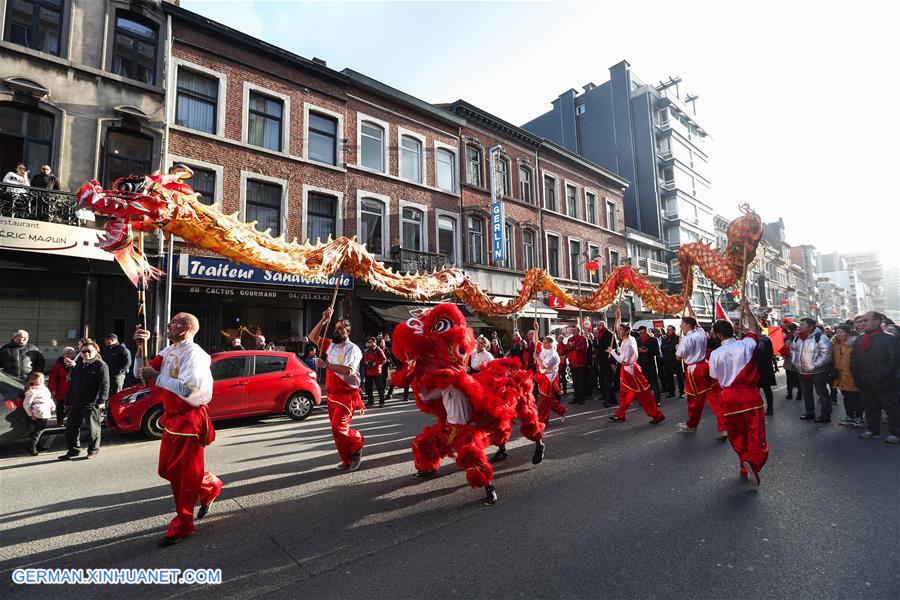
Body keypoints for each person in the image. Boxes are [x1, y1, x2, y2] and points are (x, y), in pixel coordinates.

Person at [134, 313, 222, 546]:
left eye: (172, 322)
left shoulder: (196, 355)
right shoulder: (168, 351)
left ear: (185, 328)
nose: (167, 326)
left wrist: (157, 376)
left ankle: (183, 524)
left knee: (182, 479)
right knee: (168, 470)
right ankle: (209, 485)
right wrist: (139, 348)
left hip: (189, 422)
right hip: (172, 420)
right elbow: (140, 375)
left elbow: (186, 389)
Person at [708, 300, 768, 487]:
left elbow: (714, 376)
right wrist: (747, 310)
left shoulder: (715, 354)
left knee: (737, 434)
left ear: (718, 335)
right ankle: (753, 461)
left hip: (729, 398)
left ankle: (744, 462)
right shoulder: (746, 344)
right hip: (750, 396)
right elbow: (755, 328)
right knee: (755, 433)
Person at [308, 308, 365, 470]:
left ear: (347, 332)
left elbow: (348, 370)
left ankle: (357, 444)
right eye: (336, 327)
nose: (337, 330)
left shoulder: (353, 349)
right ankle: (347, 459)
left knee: (339, 428)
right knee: (336, 431)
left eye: (340, 328)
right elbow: (312, 337)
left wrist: (325, 365)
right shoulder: (331, 345)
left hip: (347, 396)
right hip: (332, 395)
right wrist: (324, 319)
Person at [607, 308, 665, 425]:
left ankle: (656, 415)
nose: (618, 332)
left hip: (631, 371)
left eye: (620, 330)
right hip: (627, 370)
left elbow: (622, 360)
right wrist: (618, 317)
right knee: (625, 395)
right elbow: (622, 328)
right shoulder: (630, 338)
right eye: (618, 330)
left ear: (626, 332)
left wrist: (612, 351)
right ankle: (620, 414)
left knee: (643, 394)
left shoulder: (627, 343)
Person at [676, 315, 727, 439]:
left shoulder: (686, 339)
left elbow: (678, 357)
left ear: (688, 325)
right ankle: (723, 427)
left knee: (694, 401)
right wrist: (688, 304)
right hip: (705, 365)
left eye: (682, 324)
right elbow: (695, 320)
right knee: (715, 398)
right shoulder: (700, 332)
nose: (681, 326)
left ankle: (692, 424)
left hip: (695, 370)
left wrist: (677, 349)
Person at [851, 312, 899, 444]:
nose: (862, 323)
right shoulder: (860, 339)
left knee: (891, 408)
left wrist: (882, 375)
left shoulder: (889, 338)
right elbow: (854, 359)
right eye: (861, 320)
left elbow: (893, 361)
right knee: (869, 407)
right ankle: (873, 430)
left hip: (884, 381)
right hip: (864, 381)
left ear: (877, 321)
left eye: (866, 320)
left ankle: (895, 433)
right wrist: (856, 375)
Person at [58, 340, 108, 460]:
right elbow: (72, 384)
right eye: (83, 351)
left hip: (91, 402)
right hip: (75, 401)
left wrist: (102, 400)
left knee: (93, 428)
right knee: (71, 427)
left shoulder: (100, 365)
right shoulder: (78, 365)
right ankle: (73, 450)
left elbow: (105, 384)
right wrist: (67, 401)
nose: (86, 354)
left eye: (89, 351)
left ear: (95, 351)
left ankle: (93, 450)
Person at [790, 317, 833, 422]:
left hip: (818, 372)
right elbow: (792, 350)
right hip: (801, 371)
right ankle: (809, 413)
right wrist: (795, 363)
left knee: (822, 393)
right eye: (800, 325)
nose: (800, 327)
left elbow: (826, 355)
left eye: (803, 325)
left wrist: (814, 365)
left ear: (811, 326)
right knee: (806, 393)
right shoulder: (797, 338)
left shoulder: (820, 337)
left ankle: (825, 415)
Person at [832, 324, 863, 427]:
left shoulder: (855, 343)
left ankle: (859, 417)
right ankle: (849, 416)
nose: (838, 335)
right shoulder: (835, 343)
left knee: (856, 397)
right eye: (836, 332)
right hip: (840, 375)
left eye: (841, 332)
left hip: (852, 375)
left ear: (848, 333)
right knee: (846, 397)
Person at [534, 336, 567, 425]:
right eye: (544, 342)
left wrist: (536, 357)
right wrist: (536, 330)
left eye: (546, 342)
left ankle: (542, 420)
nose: (544, 344)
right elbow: (535, 341)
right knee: (549, 400)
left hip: (548, 379)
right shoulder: (544, 348)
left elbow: (543, 366)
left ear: (551, 343)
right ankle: (561, 410)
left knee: (544, 400)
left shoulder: (553, 355)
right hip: (543, 377)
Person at [23, 372, 54, 456]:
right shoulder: (32, 391)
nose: (40, 381)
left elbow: (48, 398)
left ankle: (38, 445)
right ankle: (31, 447)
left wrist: (52, 405)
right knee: (39, 430)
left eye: (41, 379)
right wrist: (31, 415)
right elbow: (26, 404)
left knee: (39, 429)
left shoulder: (44, 388)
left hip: (45, 410)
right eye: (38, 379)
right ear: (33, 380)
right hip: (39, 413)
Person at [48, 346, 75, 426]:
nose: (69, 355)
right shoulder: (58, 365)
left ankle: (71, 421)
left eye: (71, 353)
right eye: (67, 353)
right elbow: (52, 378)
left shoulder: (76, 363)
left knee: (72, 407)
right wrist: (52, 389)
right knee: (60, 407)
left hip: (73, 390)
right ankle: (60, 421)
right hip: (61, 390)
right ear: (63, 354)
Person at [561, 328, 589, 404]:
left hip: (580, 362)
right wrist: (571, 347)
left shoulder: (583, 339)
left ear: (579, 331)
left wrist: (574, 346)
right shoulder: (570, 339)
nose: (573, 332)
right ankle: (576, 398)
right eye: (572, 331)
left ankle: (582, 398)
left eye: (575, 330)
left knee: (581, 381)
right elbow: (566, 349)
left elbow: (584, 349)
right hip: (572, 363)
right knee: (575, 382)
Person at [636, 326, 661, 405]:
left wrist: (647, 351)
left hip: (651, 364)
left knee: (654, 383)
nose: (642, 335)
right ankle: (645, 400)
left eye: (644, 333)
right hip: (641, 364)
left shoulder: (653, 340)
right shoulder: (637, 340)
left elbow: (657, 352)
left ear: (647, 332)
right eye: (641, 333)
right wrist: (638, 351)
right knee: (643, 384)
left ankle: (657, 401)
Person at [593, 321, 616, 406]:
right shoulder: (599, 335)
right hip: (601, 361)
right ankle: (609, 398)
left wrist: (613, 362)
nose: (598, 327)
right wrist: (595, 340)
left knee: (608, 381)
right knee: (603, 381)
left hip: (608, 360)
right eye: (598, 326)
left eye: (600, 326)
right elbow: (598, 349)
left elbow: (613, 348)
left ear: (604, 326)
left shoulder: (610, 334)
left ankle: (609, 400)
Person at [756, 329, 777, 416]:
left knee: (767, 389)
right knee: (755, 391)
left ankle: (770, 408)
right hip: (755, 369)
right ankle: (756, 409)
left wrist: (758, 352)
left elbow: (770, 353)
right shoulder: (749, 341)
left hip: (765, 369)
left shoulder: (766, 340)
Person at [362, 337, 387, 407]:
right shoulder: (368, 351)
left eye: (370, 342)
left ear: (374, 342)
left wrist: (375, 363)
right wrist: (367, 363)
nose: (369, 343)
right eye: (368, 342)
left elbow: (384, 359)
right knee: (369, 388)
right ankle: (370, 401)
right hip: (369, 372)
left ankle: (382, 401)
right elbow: (365, 359)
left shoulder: (378, 350)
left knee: (379, 388)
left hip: (377, 372)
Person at [661, 325, 684, 399]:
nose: (668, 331)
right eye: (667, 330)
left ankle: (681, 392)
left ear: (673, 330)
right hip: (668, 360)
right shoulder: (665, 338)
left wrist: (670, 348)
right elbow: (663, 348)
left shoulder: (678, 338)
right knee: (669, 377)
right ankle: (671, 392)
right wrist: (670, 348)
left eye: (669, 330)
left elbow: (676, 348)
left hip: (676, 360)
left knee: (679, 377)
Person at [781, 323, 803, 401]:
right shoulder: (789, 340)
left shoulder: (803, 341)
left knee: (799, 379)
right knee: (789, 379)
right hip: (789, 363)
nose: (796, 334)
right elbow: (783, 350)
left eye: (798, 332)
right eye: (795, 333)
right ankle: (789, 393)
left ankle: (800, 393)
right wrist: (784, 353)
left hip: (799, 363)